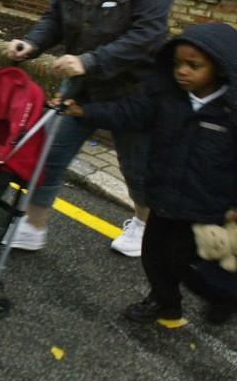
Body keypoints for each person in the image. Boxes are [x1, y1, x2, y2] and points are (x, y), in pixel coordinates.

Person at [3, 0, 173, 256]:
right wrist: (31, 44)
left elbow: (149, 34)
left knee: (136, 168)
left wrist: (90, 60)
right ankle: (33, 226)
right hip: (81, 88)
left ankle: (143, 224)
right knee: (49, 154)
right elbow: (55, 19)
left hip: (135, 91)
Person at [63, 22, 237, 325]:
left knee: (191, 264)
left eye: (193, 66)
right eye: (177, 64)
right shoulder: (166, 97)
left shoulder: (229, 112)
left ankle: (223, 297)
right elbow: (129, 113)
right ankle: (164, 302)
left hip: (205, 207)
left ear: (220, 68)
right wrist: (86, 112)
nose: (182, 71)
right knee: (154, 257)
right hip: (163, 196)